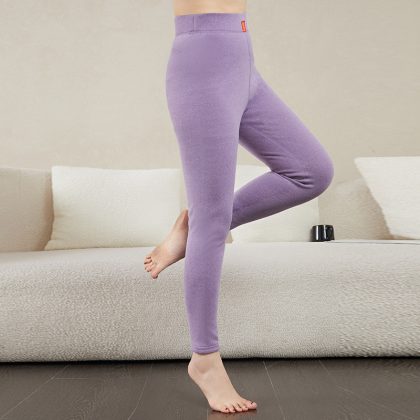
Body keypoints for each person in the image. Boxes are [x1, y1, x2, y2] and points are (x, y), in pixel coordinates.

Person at [144, 0, 334, 414]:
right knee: (211, 218)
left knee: (312, 171)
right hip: (201, 64)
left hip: (242, 58)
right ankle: (204, 359)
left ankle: (196, 228)